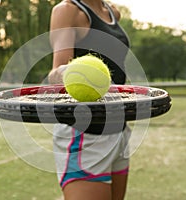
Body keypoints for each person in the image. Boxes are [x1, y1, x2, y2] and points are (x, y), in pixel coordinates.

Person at [48, 0, 131, 199]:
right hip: (85, 134)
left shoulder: (112, 12)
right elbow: (55, 74)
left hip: (119, 128)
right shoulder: (67, 10)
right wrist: (77, 73)